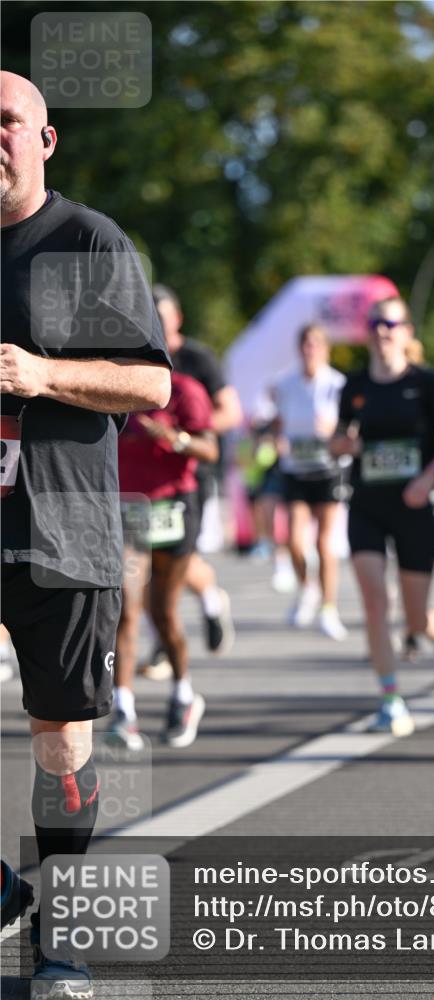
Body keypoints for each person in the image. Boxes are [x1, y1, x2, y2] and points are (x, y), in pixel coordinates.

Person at [0, 72, 171, 998]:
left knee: (59, 738)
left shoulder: (87, 240)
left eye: (8, 122)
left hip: (64, 528)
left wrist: (44, 373)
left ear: (45, 141)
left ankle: (61, 938)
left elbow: (152, 388)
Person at [331, 296, 434, 737]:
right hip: (367, 503)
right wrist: (344, 445)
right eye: (375, 323)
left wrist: (429, 477)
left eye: (391, 323)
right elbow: (337, 439)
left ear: (407, 332)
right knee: (375, 602)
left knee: (415, 618)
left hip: (414, 506)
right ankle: (390, 699)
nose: (382, 330)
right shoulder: (355, 385)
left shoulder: (426, 382)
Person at [107, 368, 217, 749]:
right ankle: (123, 710)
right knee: (126, 610)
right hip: (130, 509)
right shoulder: (114, 383)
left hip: (173, 509)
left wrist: (175, 438)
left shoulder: (186, 390)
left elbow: (210, 449)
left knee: (164, 614)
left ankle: (184, 695)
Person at [144, 284, 241, 674]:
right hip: (146, 479)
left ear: (178, 319)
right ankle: (166, 640)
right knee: (151, 563)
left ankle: (208, 603)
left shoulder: (197, 358)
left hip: (190, 476)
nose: (157, 328)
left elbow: (230, 412)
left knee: (176, 560)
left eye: (163, 320)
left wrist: (184, 434)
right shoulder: (138, 356)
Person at [272, 324, 347, 639]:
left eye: (316, 344)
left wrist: (333, 430)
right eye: (306, 344)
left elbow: (350, 429)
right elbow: (278, 422)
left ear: (326, 349)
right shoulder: (286, 384)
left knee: (324, 543)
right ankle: (308, 588)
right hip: (296, 468)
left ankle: (329, 609)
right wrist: (278, 440)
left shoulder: (337, 384)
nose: (310, 350)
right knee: (294, 541)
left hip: (329, 468)